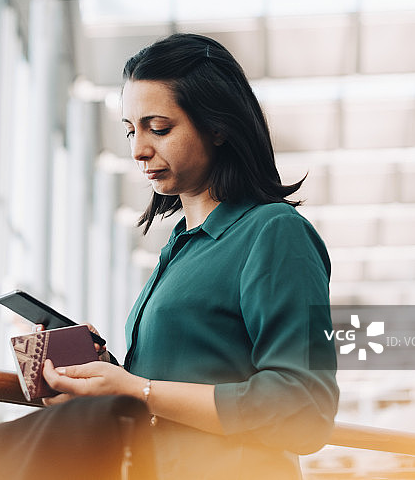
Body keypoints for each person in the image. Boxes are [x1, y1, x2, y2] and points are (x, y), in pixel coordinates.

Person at [39, 33, 339, 479]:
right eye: (130, 130)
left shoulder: (274, 233)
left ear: (218, 127)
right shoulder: (179, 248)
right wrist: (107, 382)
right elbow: (172, 388)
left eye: (158, 128)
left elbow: (305, 409)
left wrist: (140, 391)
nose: (138, 150)